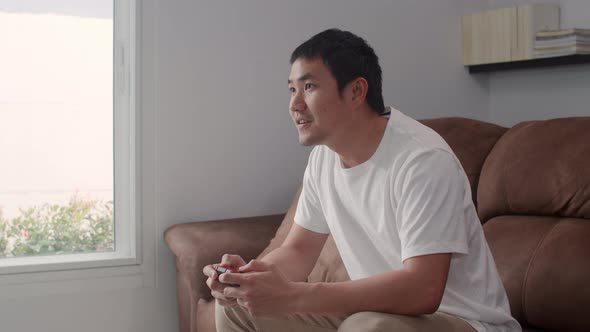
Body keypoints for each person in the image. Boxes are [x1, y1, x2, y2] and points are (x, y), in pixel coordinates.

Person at [203, 28, 521, 332]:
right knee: (235, 310)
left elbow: (423, 289)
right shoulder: (323, 158)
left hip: (460, 321)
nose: (294, 105)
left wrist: (295, 296)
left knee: (368, 327)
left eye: (309, 87)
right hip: (377, 314)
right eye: (292, 89)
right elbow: (298, 251)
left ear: (356, 92)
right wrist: (249, 280)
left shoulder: (422, 161)